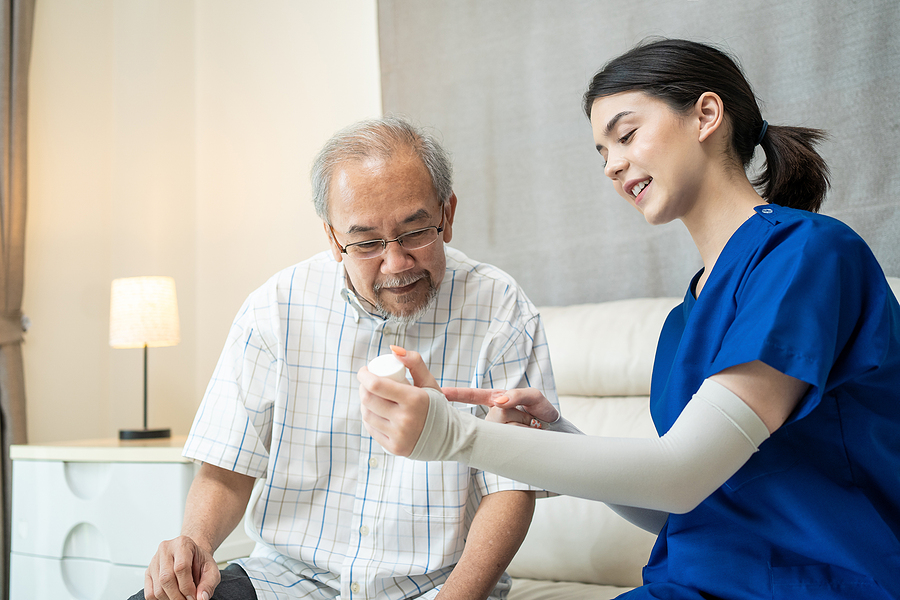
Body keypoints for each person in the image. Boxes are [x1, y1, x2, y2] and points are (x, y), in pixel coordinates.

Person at [357, 39, 900, 600]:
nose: (612, 165)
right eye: (601, 152)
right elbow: (683, 507)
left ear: (707, 116)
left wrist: (452, 435)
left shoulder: (807, 258)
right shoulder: (683, 321)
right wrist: (557, 434)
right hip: (695, 583)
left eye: (626, 134)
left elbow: (681, 474)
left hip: (823, 583)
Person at [134, 116, 558, 600]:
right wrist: (196, 543)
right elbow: (227, 468)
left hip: (436, 587)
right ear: (335, 239)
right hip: (289, 581)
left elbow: (512, 488)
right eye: (367, 243)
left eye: (416, 232)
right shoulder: (275, 308)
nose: (396, 263)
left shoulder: (502, 310)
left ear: (448, 213)